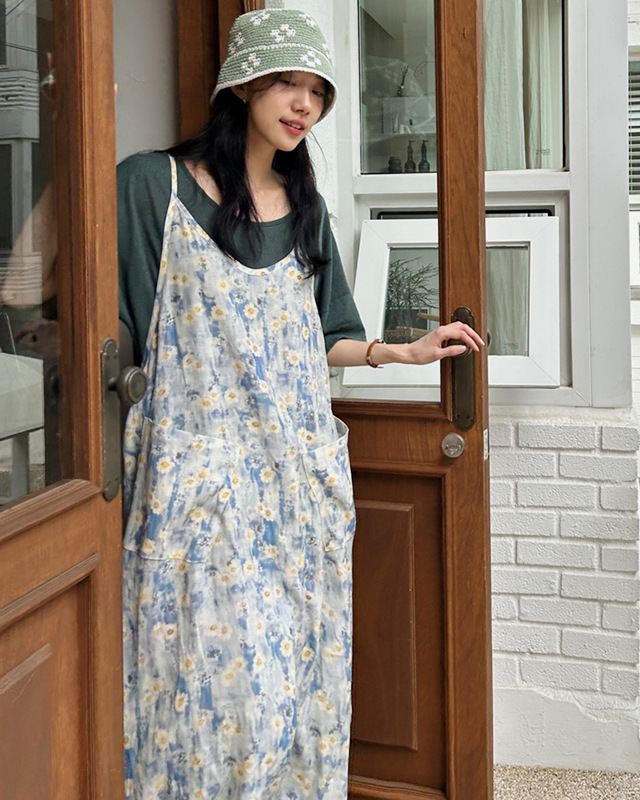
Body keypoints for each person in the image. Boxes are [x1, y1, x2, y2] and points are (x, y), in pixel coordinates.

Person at [118, 8, 482, 800]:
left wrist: (402, 352)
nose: (303, 104)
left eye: (317, 91)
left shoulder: (306, 208)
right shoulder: (155, 188)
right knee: (201, 696)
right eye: (286, 83)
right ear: (242, 85)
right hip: (197, 496)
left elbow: (328, 337)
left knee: (289, 690)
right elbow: (108, 323)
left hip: (293, 496)